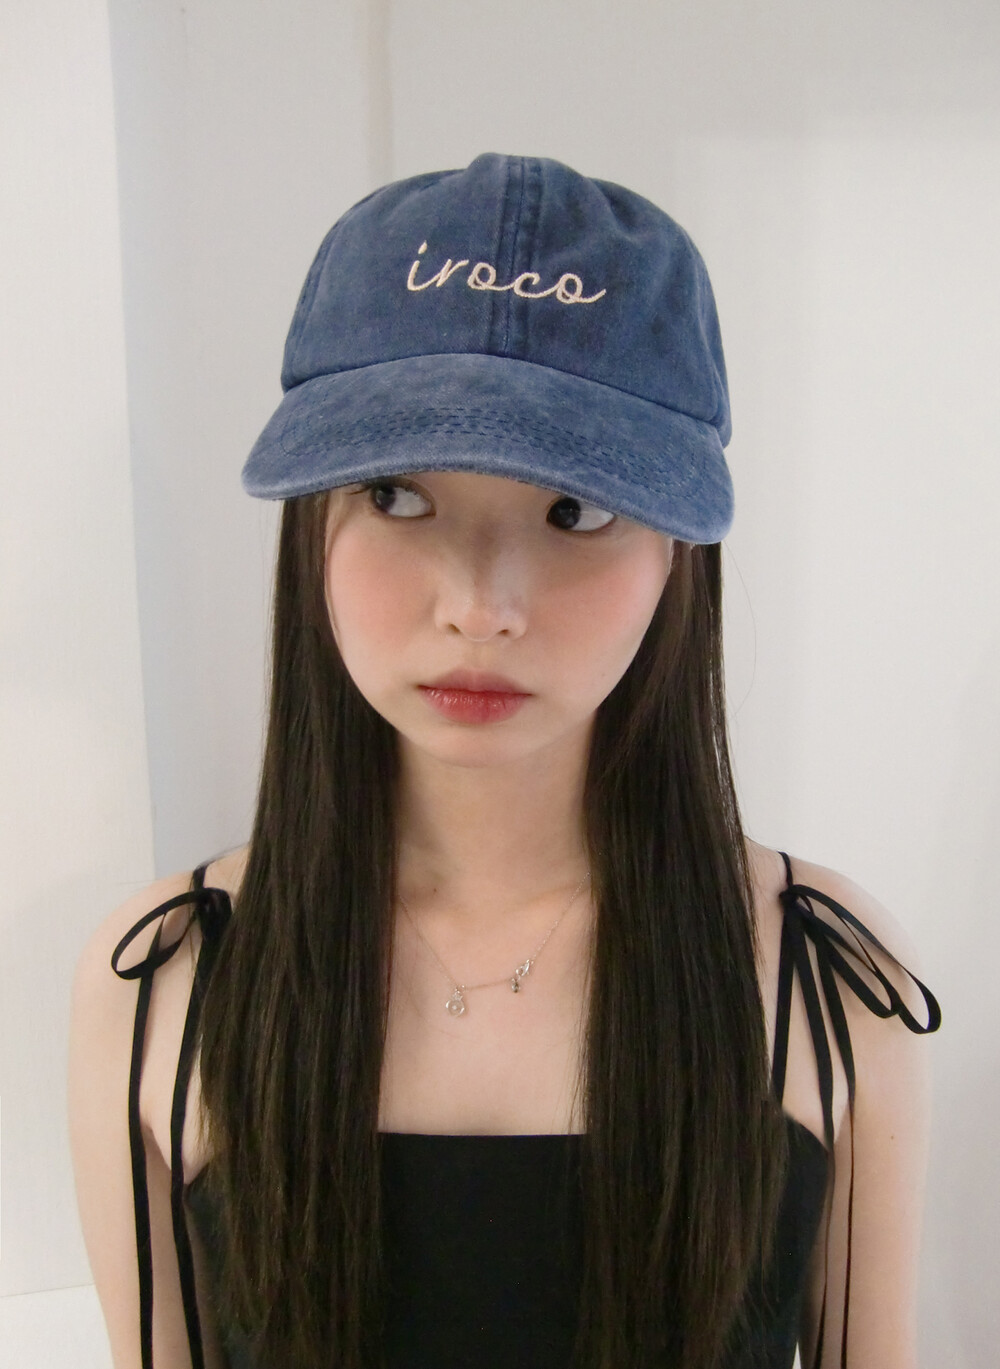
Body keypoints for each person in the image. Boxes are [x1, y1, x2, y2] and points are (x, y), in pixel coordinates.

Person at [68, 152, 941, 1369]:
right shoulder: (164, 977)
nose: (480, 604)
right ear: (312, 525)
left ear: (677, 557)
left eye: (575, 510)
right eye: (395, 494)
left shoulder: (824, 977)